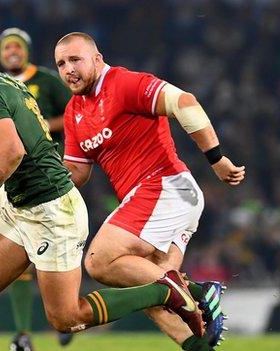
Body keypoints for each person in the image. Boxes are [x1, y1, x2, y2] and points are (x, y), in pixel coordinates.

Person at [0, 21, 204, 351]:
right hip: (20, 205)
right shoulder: (1, 86)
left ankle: (164, 291)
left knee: (66, 318)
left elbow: (10, 152)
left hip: (51, 211)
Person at [55, 32, 245, 350]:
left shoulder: (123, 83)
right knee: (151, 292)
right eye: (61, 64)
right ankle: (199, 342)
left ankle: (197, 292)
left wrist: (216, 158)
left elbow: (184, 102)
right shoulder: (74, 112)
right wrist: (34, 177)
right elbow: (76, 172)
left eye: (75, 59)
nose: (68, 69)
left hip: (164, 187)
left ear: (97, 59)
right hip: (159, 198)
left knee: (100, 261)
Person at [0, 27, 73, 350]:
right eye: (6, 47)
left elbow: (74, 115)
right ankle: (24, 333)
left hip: (48, 173)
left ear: (26, 51)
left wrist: (37, 126)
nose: (12, 51)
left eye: (18, 46)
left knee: (56, 251)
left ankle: (66, 315)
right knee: (20, 254)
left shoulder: (47, 80)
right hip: (10, 177)